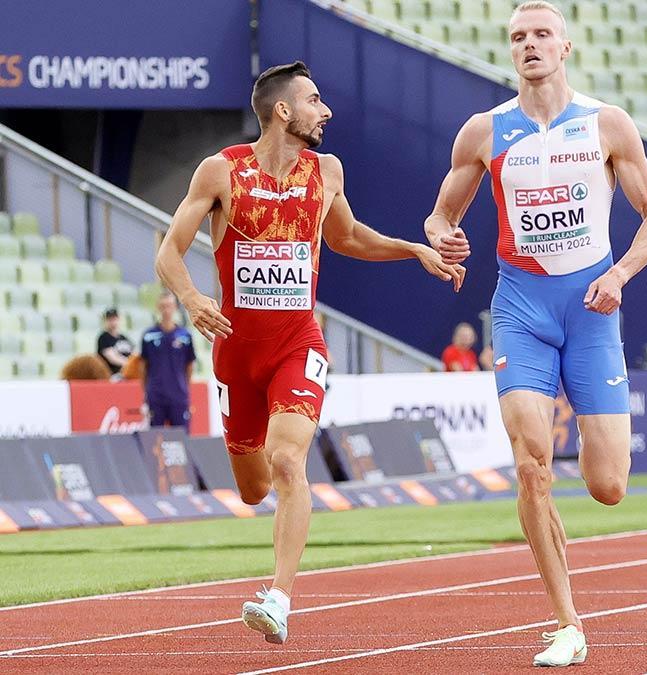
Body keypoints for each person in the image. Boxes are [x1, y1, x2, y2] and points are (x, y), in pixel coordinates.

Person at [154, 61, 463, 645]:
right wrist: (193, 299)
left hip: (298, 344)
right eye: (316, 100)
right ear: (283, 111)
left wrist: (411, 250)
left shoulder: (327, 171)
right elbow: (170, 251)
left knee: (288, 461)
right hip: (235, 355)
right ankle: (271, 520)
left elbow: (345, 237)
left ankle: (279, 597)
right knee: (252, 485)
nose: (327, 111)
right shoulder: (221, 171)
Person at [424, 1, 647, 666]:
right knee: (531, 464)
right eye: (517, 38)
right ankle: (567, 621)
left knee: (608, 483)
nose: (529, 45)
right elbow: (440, 215)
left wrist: (619, 273)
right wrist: (442, 237)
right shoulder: (484, 132)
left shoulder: (606, 124)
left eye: (540, 35)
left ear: (565, 47)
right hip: (520, 308)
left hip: (591, 309)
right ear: (510, 52)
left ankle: (571, 594)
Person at [139, 292, 196, 431]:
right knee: (155, 440)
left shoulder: (185, 336)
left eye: (169, 306)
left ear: (175, 307)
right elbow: (143, 366)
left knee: (182, 438)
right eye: (163, 306)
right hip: (156, 395)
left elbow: (189, 365)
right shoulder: (148, 335)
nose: (166, 310)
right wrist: (146, 391)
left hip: (178, 395)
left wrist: (184, 387)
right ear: (158, 307)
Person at [96, 307, 133, 377]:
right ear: (105, 321)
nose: (112, 322)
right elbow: (112, 358)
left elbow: (133, 354)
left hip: (126, 373)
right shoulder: (103, 338)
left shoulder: (124, 338)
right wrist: (130, 364)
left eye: (114, 319)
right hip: (112, 375)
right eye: (110, 319)